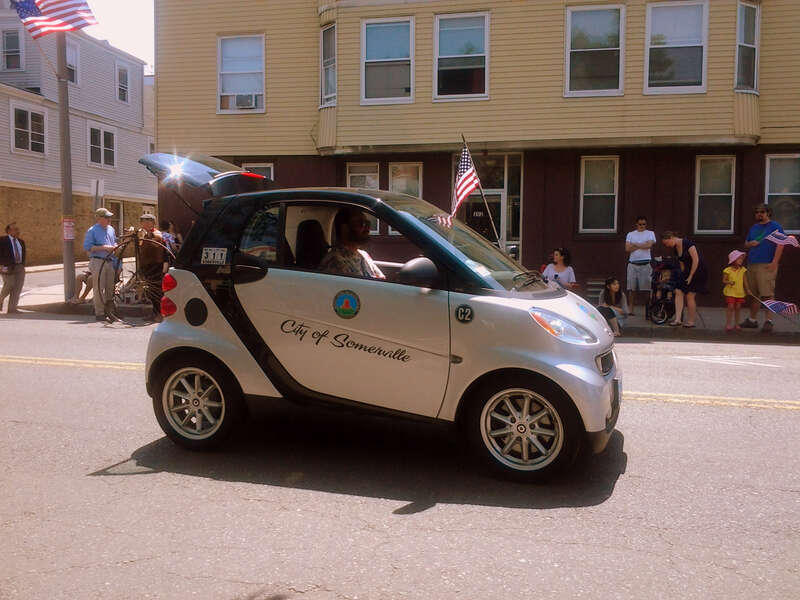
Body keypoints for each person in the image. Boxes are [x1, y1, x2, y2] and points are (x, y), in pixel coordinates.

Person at [741, 204, 784, 333]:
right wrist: (750, 244)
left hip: (767, 264)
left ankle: (768, 321)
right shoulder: (754, 228)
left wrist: (775, 262)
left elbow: (781, 245)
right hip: (752, 263)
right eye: (757, 212)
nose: (759, 214)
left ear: (768, 213)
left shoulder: (775, 227)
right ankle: (752, 320)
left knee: (767, 294)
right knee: (754, 294)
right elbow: (746, 244)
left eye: (762, 212)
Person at [319, 207, 386, 279]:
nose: (367, 228)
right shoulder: (335, 261)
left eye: (368, 223)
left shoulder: (363, 254)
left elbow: (381, 279)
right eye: (361, 224)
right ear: (345, 228)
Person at [661, 231, 707, 328]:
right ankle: (678, 319)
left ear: (671, 237)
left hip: (698, 270)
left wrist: (690, 276)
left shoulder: (688, 244)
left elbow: (696, 260)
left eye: (667, 243)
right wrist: (683, 275)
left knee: (690, 295)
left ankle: (691, 321)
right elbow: (682, 263)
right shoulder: (675, 248)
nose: (667, 245)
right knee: (678, 291)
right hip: (687, 270)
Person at [84, 207, 119, 323]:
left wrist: (115, 246)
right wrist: (104, 247)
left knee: (110, 288)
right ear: (98, 218)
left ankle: (110, 312)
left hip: (109, 261)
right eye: (106, 217)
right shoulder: (92, 230)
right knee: (99, 288)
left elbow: (114, 241)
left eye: (109, 217)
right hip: (98, 261)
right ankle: (99, 313)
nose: (109, 219)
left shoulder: (111, 229)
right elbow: (88, 247)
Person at [137, 213, 167, 322]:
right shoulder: (144, 234)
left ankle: (160, 314)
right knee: (150, 292)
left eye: (147, 222)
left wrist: (147, 236)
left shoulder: (156, 233)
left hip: (155, 266)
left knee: (157, 292)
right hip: (147, 266)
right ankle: (154, 313)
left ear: (152, 223)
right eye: (143, 222)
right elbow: (140, 245)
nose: (144, 224)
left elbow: (156, 244)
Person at [625, 216, 656, 316]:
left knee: (647, 288)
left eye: (644, 224)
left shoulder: (650, 233)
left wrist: (635, 245)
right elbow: (627, 248)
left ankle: (648, 309)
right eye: (640, 224)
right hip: (633, 264)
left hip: (645, 264)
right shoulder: (630, 234)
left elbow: (649, 245)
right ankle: (631, 309)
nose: (642, 226)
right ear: (636, 224)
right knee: (631, 288)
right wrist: (642, 244)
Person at [0, 222, 26, 314]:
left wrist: (22, 265)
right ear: (9, 231)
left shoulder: (21, 242)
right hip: (6, 267)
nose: (18, 231)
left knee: (18, 287)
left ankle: (12, 309)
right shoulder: (2, 240)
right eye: (15, 229)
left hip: (19, 267)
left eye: (18, 229)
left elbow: (23, 255)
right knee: (10, 284)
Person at [722, 250, 749, 332]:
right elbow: (724, 280)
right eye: (739, 259)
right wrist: (729, 282)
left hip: (740, 292)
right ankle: (728, 324)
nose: (741, 261)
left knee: (738, 307)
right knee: (730, 306)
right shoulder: (727, 270)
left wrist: (747, 289)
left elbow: (745, 281)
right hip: (730, 292)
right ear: (733, 260)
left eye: (741, 259)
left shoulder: (743, 270)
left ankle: (737, 324)